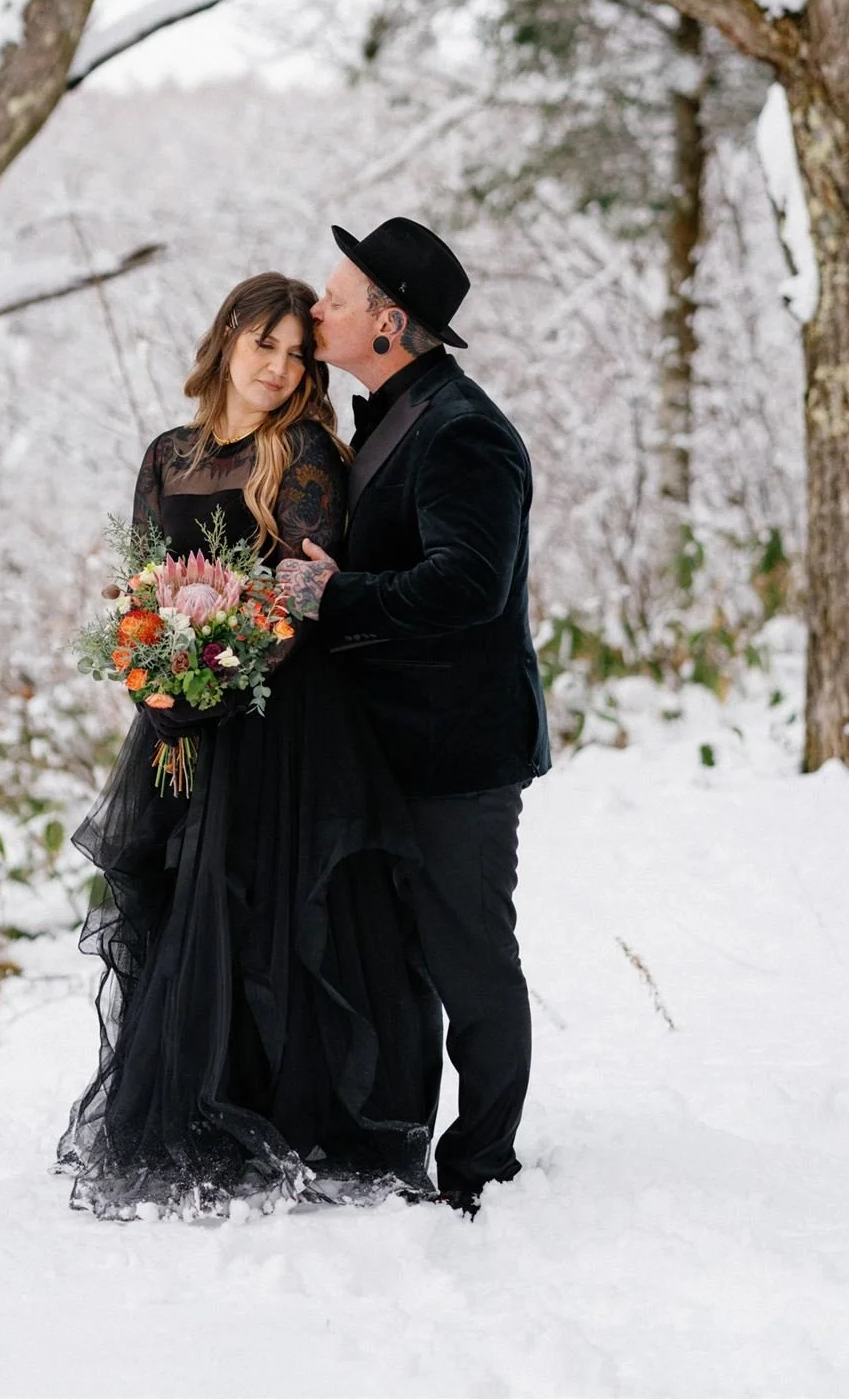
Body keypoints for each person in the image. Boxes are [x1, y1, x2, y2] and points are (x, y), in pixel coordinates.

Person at [59, 272, 441, 1219]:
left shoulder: (303, 452)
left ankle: (292, 1116)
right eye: (263, 345)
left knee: (270, 912)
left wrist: (225, 678)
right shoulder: (167, 455)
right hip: (181, 724)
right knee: (187, 905)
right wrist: (159, 676)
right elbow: (147, 586)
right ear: (227, 337)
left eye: (297, 355)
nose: (278, 368)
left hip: (281, 720)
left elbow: (303, 590)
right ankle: (194, 1110)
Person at [278, 218, 551, 1218]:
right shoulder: (397, 411)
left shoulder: (462, 426)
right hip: (394, 747)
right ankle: (397, 1139)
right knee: (398, 961)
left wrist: (325, 594)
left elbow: (467, 587)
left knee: (470, 956)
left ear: (389, 321)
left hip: (459, 750)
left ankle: (485, 1165)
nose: (315, 310)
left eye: (334, 297)